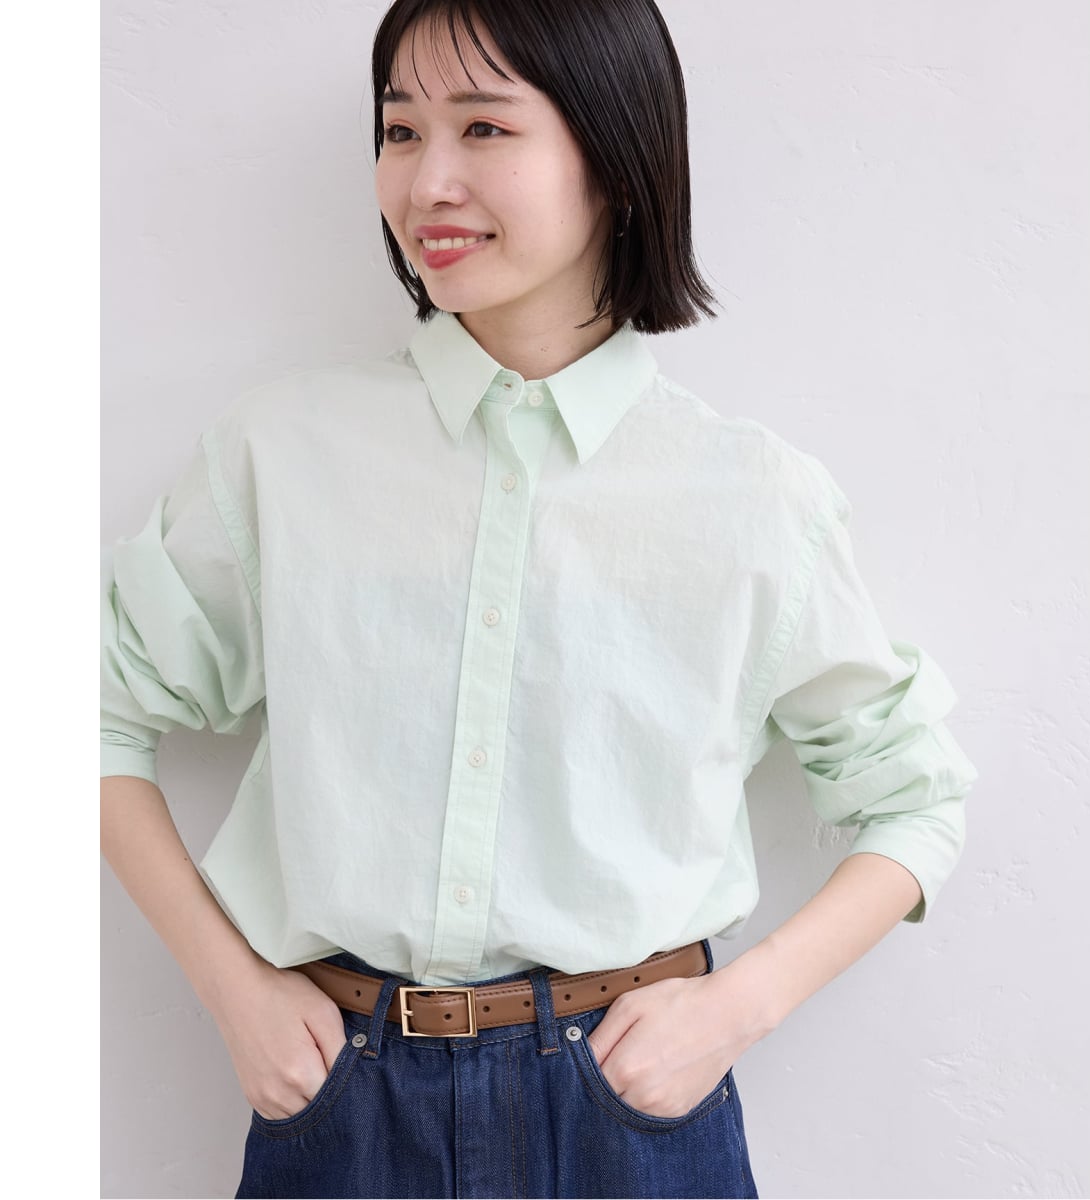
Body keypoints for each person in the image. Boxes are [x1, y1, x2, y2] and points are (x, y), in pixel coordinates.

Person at [100, 1, 979, 1196]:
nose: (427, 183)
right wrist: (232, 990)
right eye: (399, 131)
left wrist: (735, 1010)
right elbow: (86, 708)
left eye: (484, 127)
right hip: (343, 1103)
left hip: (631, 1113)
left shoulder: (753, 497)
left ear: (613, 156)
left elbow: (916, 797)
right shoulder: (284, 454)